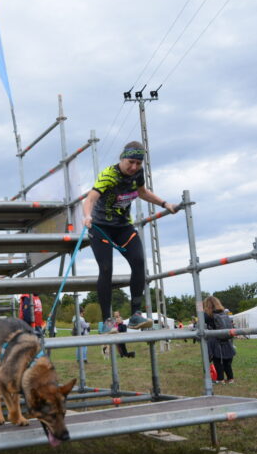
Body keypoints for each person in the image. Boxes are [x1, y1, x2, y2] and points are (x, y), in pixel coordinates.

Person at [82, 141, 179, 333]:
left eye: (138, 163)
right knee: (106, 268)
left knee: (139, 261)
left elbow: (142, 193)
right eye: (130, 162)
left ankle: (135, 314)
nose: (134, 167)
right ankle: (107, 320)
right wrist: (87, 216)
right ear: (122, 158)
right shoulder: (109, 175)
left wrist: (165, 204)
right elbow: (90, 198)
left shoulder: (137, 174)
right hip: (100, 227)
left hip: (123, 226)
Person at [203, 296, 236, 384]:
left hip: (216, 341)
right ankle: (230, 379)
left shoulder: (207, 315)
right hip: (227, 340)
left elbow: (202, 325)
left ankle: (220, 379)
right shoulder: (224, 313)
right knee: (227, 362)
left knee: (217, 361)